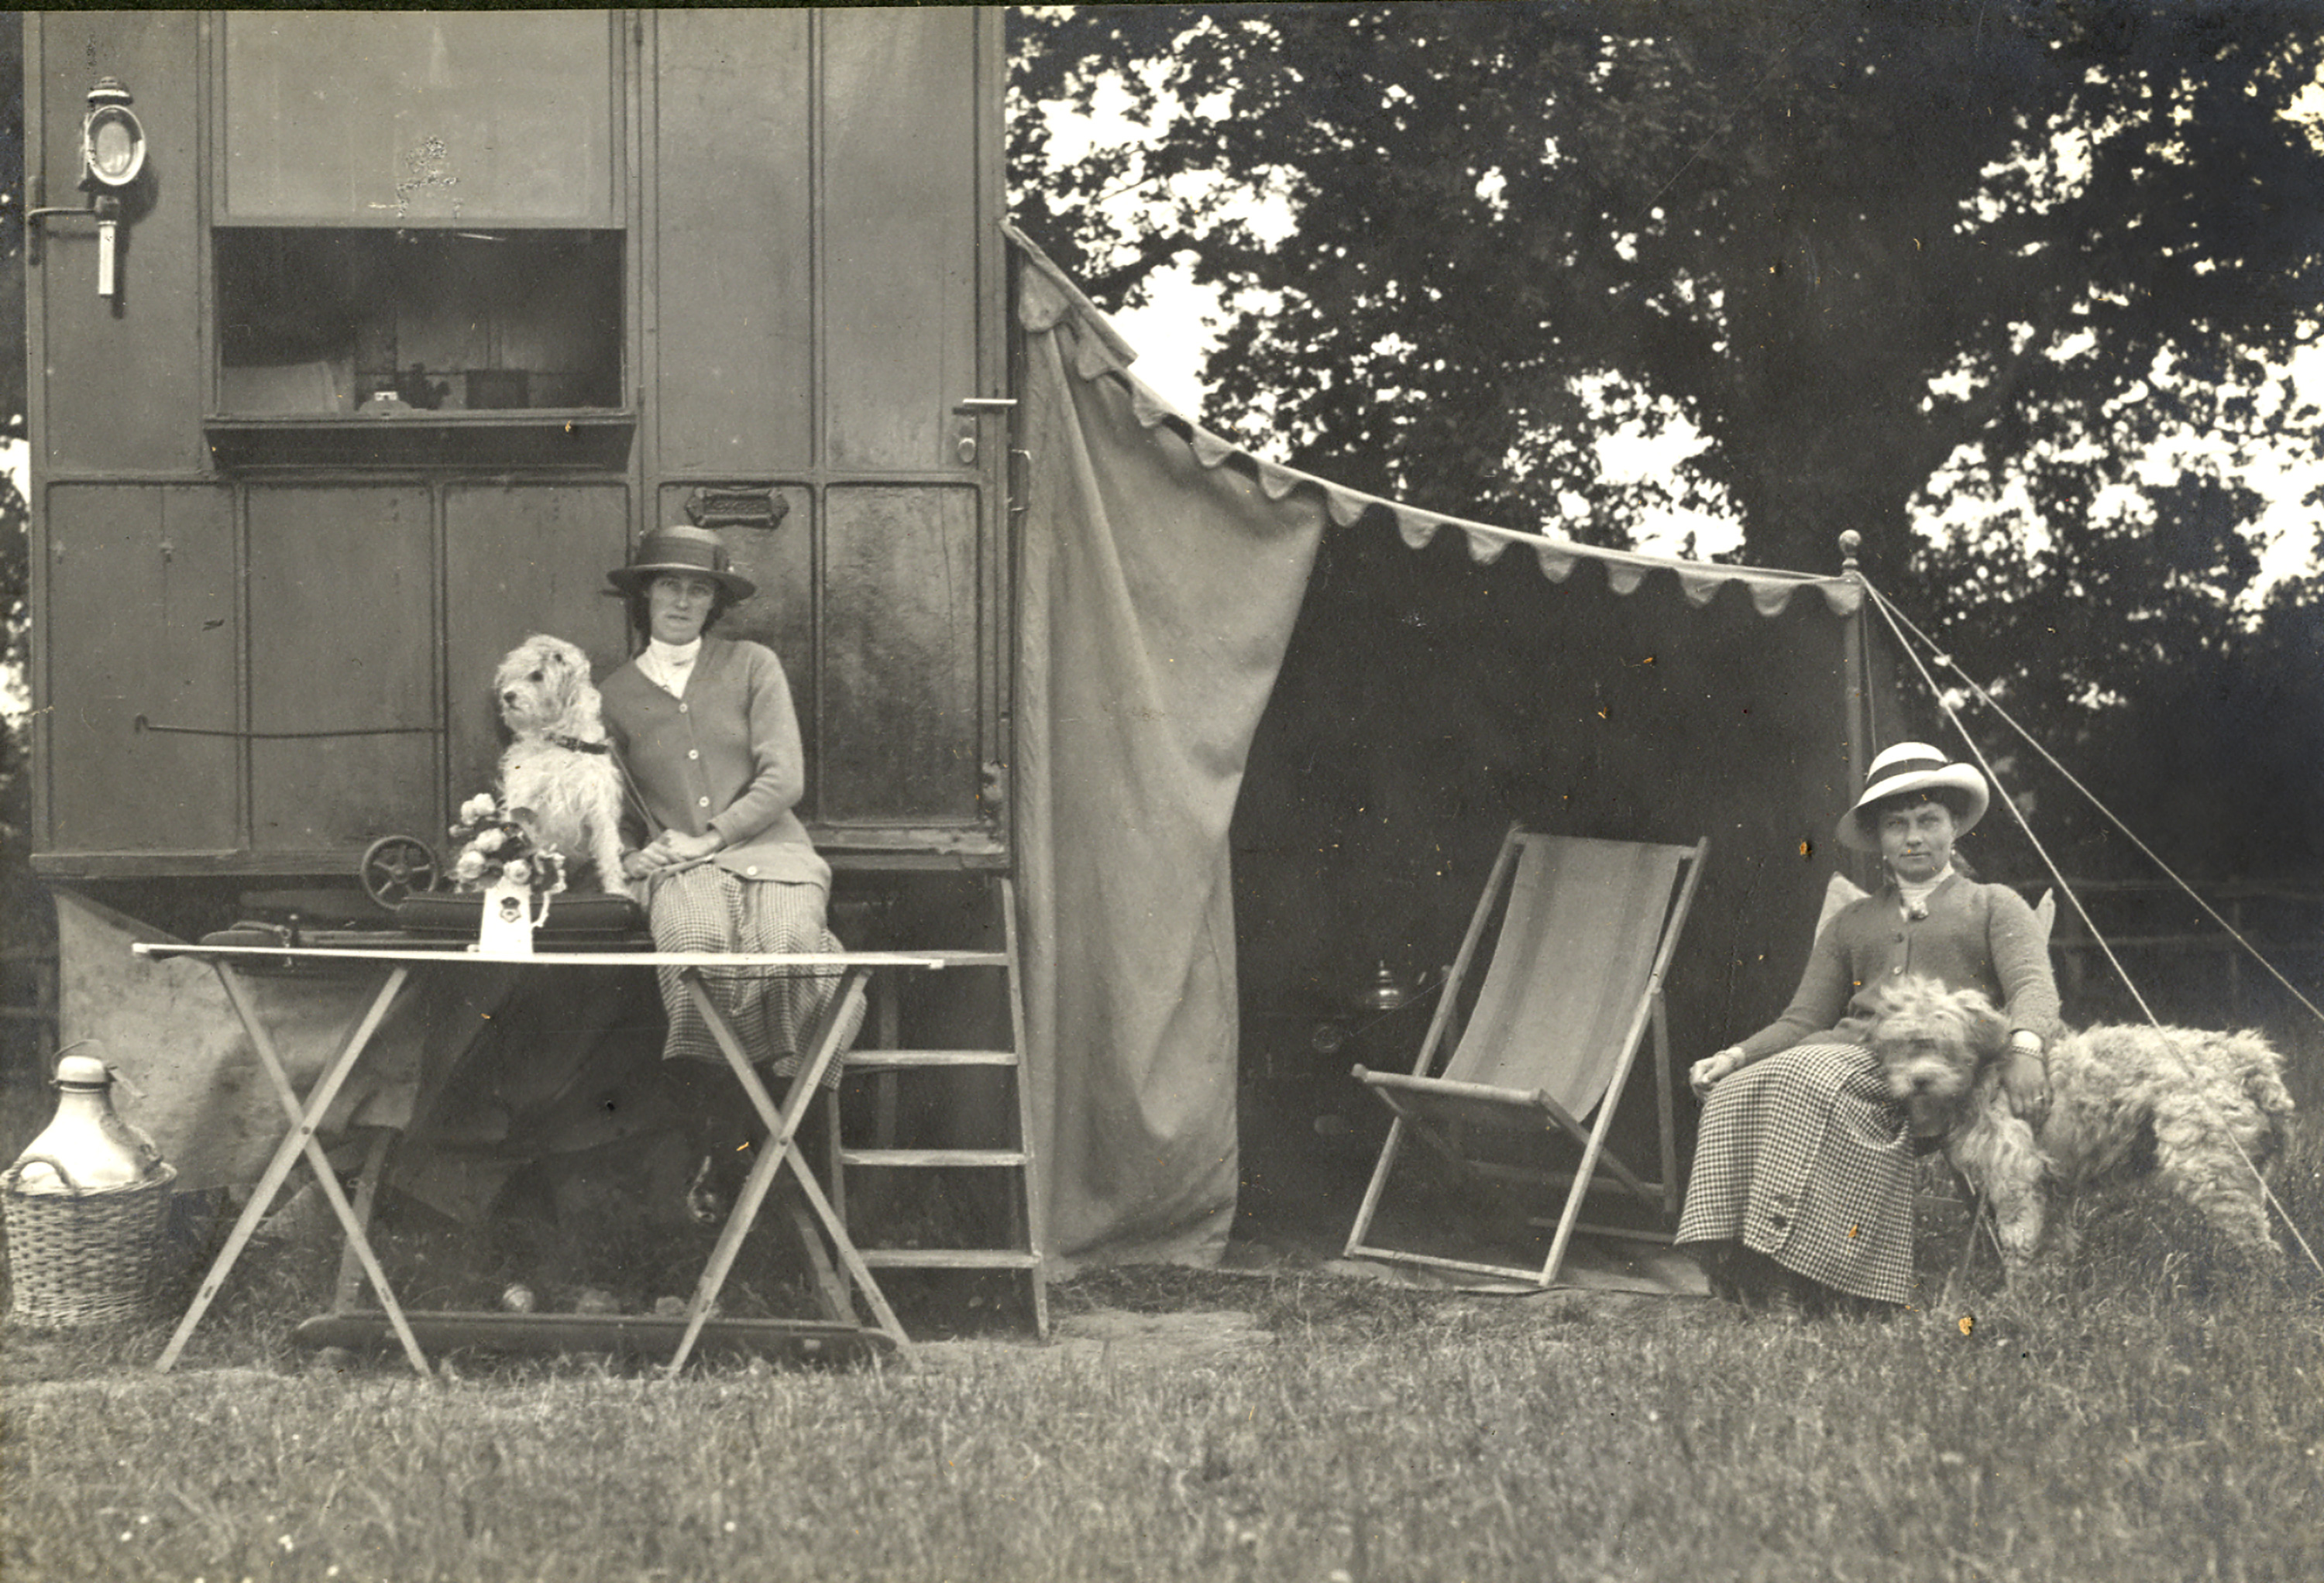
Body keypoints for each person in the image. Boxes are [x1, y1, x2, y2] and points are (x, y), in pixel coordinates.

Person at [1675, 742, 2061, 1313]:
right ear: (1878, 839)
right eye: (1896, 824)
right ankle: (1741, 1263)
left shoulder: (1992, 904)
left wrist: (2026, 1045)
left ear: (1955, 826)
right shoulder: (1852, 921)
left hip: (1942, 1065)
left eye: (1929, 821)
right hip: (1849, 1054)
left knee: (1806, 1079)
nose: (1914, 837)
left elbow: (2034, 986)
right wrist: (1733, 1057)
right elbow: (1803, 1019)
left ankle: (1826, 1277)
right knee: (1737, 1091)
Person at [597, 526, 860, 1203]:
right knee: (694, 951)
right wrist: (634, 856)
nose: (683, 600)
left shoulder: (752, 665)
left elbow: (784, 780)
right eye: (669, 585)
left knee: (792, 948)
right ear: (644, 595)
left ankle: (764, 1133)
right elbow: (614, 805)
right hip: (681, 871)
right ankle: (725, 1131)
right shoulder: (615, 696)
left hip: (773, 853)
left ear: (714, 602)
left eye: (699, 588)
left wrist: (711, 835)